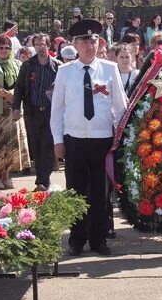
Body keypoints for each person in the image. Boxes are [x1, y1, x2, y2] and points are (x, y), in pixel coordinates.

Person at [51, 19, 128, 256]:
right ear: (75, 45)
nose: (90, 45)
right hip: (74, 140)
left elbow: (120, 107)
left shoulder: (109, 69)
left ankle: (98, 239)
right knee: (75, 192)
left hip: (102, 140)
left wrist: (119, 139)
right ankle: (77, 238)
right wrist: (58, 140)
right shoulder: (65, 72)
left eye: (94, 40)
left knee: (100, 192)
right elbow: (57, 109)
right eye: (85, 41)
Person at [0, 35, 31, 188]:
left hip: (14, 109)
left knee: (12, 143)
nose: (4, 50)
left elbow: (23, 83)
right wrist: (5, 94)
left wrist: (14, 93)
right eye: (1, 47)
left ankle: (6, 176)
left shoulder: (17, 63)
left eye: (7, 47)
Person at [13, 34, 61, 191]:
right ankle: (41, 177)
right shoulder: (27, 66)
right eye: (38, 44)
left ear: (49, 46)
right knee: (36, 146)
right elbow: (19, 87)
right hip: (32, 112)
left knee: (47, 146)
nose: (41, 47)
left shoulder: (57, 67)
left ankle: (43, 180)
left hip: (50, 112)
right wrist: (16, 108)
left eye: (43, 44)